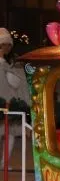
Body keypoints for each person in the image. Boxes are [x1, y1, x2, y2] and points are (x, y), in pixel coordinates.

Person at [0, 28, 31, 169]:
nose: (9, 48)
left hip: (7, 103)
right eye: (7, 45)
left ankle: (4, 163)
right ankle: (4, 163)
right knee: (8, 133)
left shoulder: (9, 64)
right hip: (6, 103)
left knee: (9, 133)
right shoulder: (5, 65)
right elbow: (14, 82)